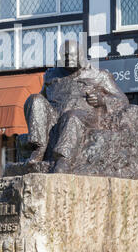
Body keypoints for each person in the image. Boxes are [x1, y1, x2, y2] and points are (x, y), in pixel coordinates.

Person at [24, 40, 130, 173]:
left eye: (73, 56)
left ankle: (64, 160)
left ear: (81, 55)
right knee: (34, 99)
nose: (69, 60)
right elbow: (41, 100)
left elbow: (122, 100)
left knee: (71, 116)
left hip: (83, 116)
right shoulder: (51, 75)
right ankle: (39, 148)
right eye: (66, 56)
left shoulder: (99, 75)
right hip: (55, 115)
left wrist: (102, 100)